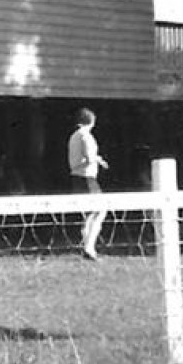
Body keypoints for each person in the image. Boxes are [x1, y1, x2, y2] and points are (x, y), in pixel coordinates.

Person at [68, 108, 109, 260]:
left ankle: (87, 245)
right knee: (100, 210)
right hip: (87, 177)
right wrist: (97, 160)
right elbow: (90, 157)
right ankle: (89, 246)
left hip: (76, 176)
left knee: (90, 213)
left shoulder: (74, 136)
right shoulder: (86, 136)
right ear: (92, 121)